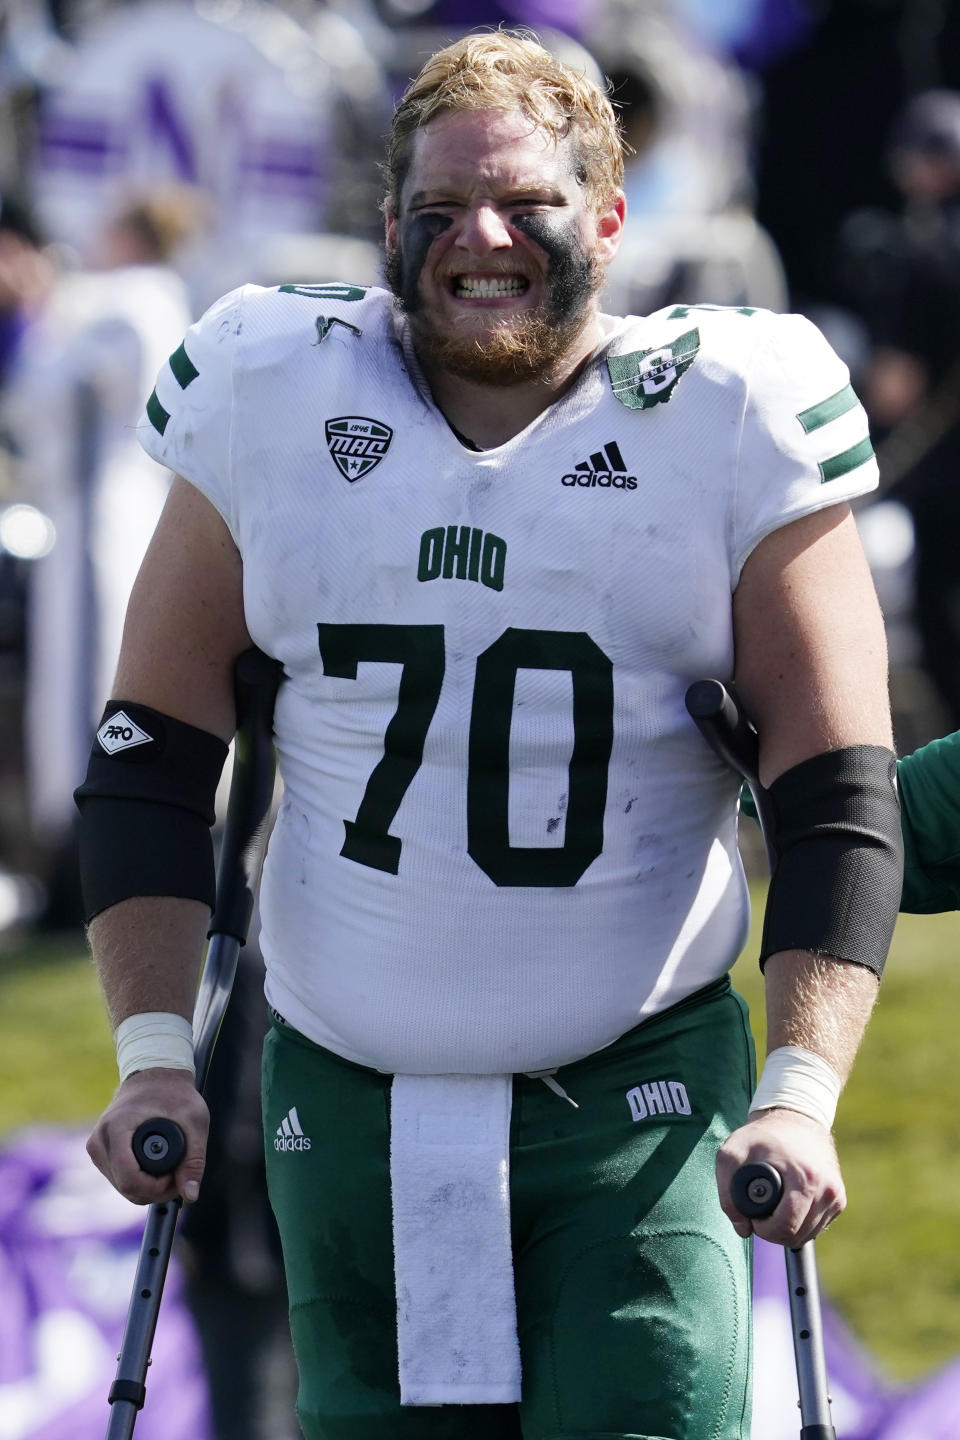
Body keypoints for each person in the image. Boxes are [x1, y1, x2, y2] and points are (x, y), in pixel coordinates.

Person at [79, 31, 902, 1440]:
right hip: (341, 1106)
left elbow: (837, 789)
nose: (483, 238)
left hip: (633, 1116)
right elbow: (151, 754)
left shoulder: (730, 407)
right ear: (388, 222)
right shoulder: (269, 388)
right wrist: (155, 1051)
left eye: (526, 201)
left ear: (611, 216)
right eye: (442, 205)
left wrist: (803, 1090)